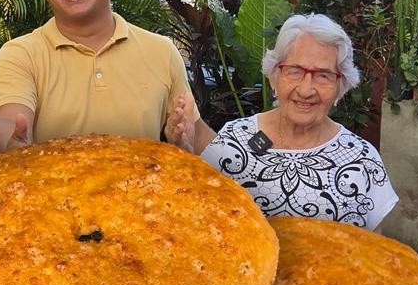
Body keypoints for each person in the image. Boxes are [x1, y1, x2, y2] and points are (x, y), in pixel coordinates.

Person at [0, 0, 212, 154]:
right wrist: (11, 148)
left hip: (143, 189)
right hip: (50, 189)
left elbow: (196, 131)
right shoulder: (20, 54)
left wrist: (189, 141)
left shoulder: (162, 51)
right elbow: (6, 121)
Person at [166, 13, 398, 231]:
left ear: (341, 86)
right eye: (295, 71)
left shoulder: (362, 159)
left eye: (323, 76)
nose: (306, 90)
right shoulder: (235, 141)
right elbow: (198, 216)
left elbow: (374, 254)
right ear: (274, 76)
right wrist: (183, 158)